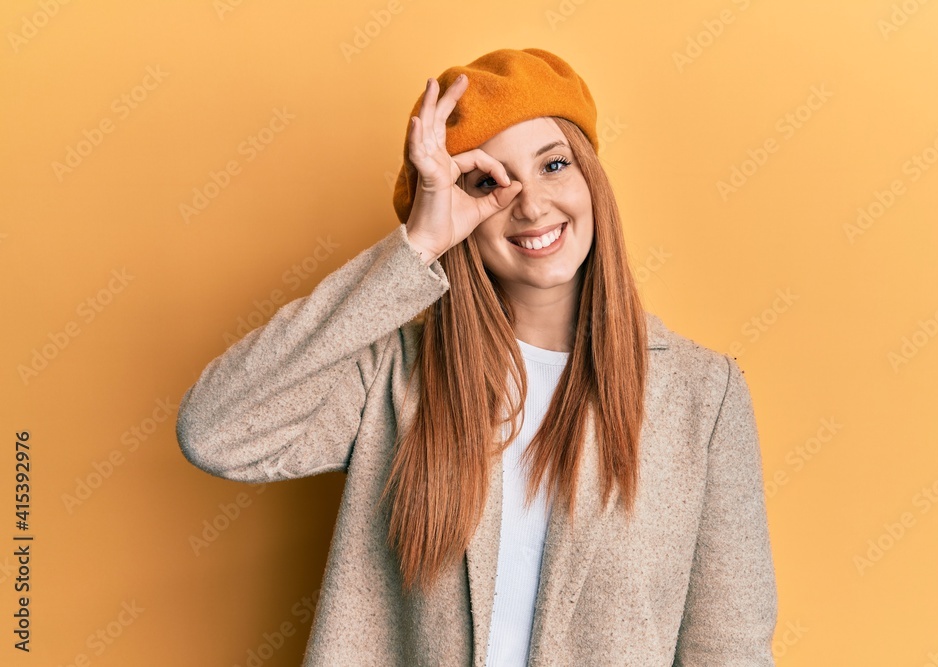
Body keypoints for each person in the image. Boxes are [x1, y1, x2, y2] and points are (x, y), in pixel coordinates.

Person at [176, 47, 778, 666]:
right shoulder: (394, 374)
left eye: (554, 164)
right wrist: (420, 243)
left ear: (592, 177)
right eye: (488, 181)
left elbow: (727, 646)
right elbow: (215, 431)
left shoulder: (702, 393)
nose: (531, 204)